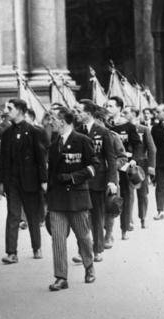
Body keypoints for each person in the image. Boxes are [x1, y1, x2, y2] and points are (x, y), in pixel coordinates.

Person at [45, 107, 99, 291]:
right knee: (58, 239)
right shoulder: (53, 145)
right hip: (57, 199)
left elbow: (94, 166)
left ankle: (89, 266)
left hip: (77, 198)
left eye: (53, 119)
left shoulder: (83, 141)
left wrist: (74, 177)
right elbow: (51, 173)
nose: (50, 122)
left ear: (63, 121)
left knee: (83, 236)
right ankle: (61, 277)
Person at [0, 98, 47, 264]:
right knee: (13, 216)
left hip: (30, 181)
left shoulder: (35, 132)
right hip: (12, 182)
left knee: (32, 215)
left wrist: (43, 181)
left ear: (20, 110)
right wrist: (1, 183)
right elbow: (2, 161)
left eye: (10, 108)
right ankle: (11, 252)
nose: (6, 110)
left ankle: (36, 247)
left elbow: (41, 160)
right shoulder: (6, 134)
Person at [73, 100, 117, 264]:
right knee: (81, 218)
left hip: (98, 180)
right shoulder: (76, 132)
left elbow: (111, 158)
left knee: (97, 216)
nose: (77, 114)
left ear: (89, 114)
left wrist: (112, 181)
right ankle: (82, 250)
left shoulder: (103, 132)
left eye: (79, 111)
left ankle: (98, 250)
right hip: (81, 181)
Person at [104, 96, 139, 243]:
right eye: (107, 106)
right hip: (108, 169)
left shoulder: (128, 126)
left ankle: (124, 228)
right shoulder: (104, 126)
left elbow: (137, 144)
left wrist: (134, 159)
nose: (108, 108)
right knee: (110, 200)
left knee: (125, 197)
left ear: (119, 108)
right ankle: (108, 231)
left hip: (124, 167)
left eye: (111, 106)